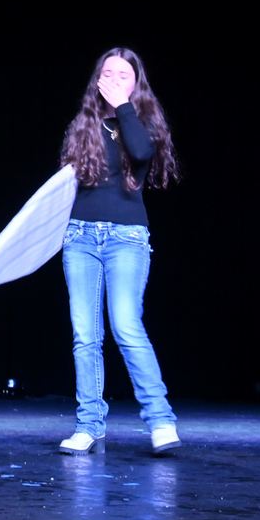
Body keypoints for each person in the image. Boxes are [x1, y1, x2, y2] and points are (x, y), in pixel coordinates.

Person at [57, 47, 182, 456]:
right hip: (80, 238)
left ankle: (160, 421)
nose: (112, 80)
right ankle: (89, 424)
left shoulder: (142, 123)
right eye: (106, 73)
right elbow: (63, 187)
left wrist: (123, 107)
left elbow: (143, 154)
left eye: (122, 75)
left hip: (125, 238)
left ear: (135, 84)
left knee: (127, 326)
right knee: (84, 335)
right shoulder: (83, 125)